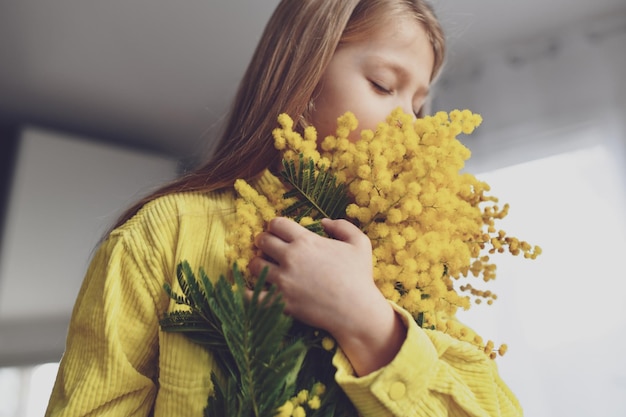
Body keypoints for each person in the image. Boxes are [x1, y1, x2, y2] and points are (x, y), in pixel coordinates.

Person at [46, 1, 523, 416]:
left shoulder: (420, 266)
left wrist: (369, 324)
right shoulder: (161, 236)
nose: (411, 126)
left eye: (419, 105)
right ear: (303, 74)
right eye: (383, 85)